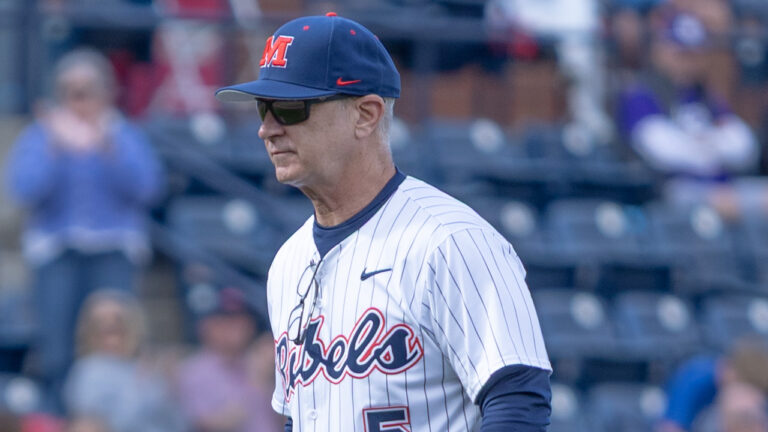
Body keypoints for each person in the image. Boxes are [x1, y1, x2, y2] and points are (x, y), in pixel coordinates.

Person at [215, 12, 552, 432]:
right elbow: (296, 418)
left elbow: (518, 402)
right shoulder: (287, 262)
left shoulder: (451, 242)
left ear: (366, 114)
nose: (267, 129)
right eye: (263, 109)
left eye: (289, 108)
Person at [3, 48, 165, 413]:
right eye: (71, 91)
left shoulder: (124, 134)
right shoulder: (40, 136)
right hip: (56, 251)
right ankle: (60, 417)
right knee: (56, 347)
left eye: (87, 90)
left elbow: (148, 189)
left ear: (106, 92)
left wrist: (108, 146)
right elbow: (24, 190)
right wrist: (53, 146)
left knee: (114, 341)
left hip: (113, 249)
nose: (80, 100)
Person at [616, 9, 760, 209]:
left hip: (722, 187)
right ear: (660, 50)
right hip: (668, 191)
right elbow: (662, 152)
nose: (688, 63)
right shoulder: (641, 94)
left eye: (695, 54)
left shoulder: (705, 95)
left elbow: (744, 146)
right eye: (681, 54)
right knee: (726, 203)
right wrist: (713, 143)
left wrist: (698, 144)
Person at [63, 290, 185, 432]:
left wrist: (171, 387)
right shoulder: (88, 370)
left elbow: (178, 424)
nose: (109, 323)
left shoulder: (152, 370)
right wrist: (138, 386)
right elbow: (98, 425)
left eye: (117, 320)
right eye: (100, 321)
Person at [177, 287, 283, 432]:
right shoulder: (195, 372)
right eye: (226, 321)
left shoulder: (260, 360)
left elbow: (287, 420)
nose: (236, 327)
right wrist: (257, 381)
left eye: (241, 318)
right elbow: (209, 426)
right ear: (206, 327)